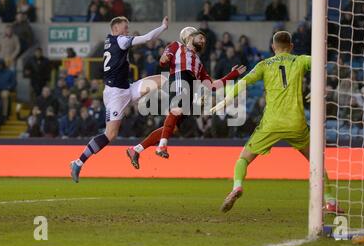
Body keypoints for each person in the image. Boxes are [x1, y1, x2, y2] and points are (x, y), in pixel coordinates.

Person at [211, 31, 343, 214]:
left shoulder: (264, 64)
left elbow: (244, 82)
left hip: (271, 123)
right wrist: (320, 88)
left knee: (243, 159)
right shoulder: (300, 60)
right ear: (291, 46)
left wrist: (225, 100)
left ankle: (237, 187)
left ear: (273, 47)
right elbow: (322, 63)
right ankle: (330, 201)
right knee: (316, 162)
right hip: (296, 123)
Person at [126, 28, 246, 169]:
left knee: (173, 128)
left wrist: (232, 75)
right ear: (189, 37)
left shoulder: (199, 64)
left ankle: (136, 149)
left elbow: (213, 86)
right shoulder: (177, 46)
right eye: (200, 37)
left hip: (189, 89)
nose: (203, 41)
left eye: (204, 41)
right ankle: (161, 146)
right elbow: (163, 61)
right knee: (176, 110)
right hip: (179, 78)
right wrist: (164, 59)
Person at [69, 15, 169, 182]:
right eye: (125, 27)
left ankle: (185, 98)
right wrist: (163, 27)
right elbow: (147, 38)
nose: (127, 30)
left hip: (126, 88)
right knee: (110, 135)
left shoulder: (110, 41)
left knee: (162, 80)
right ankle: (78, 162)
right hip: (116, 94)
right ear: (116, 29)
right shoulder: (120, 40)